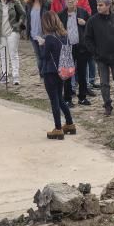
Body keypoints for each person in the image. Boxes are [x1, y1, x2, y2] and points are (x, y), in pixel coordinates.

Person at [85, 0, 114, 116]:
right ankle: (107, 105)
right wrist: (95, 52)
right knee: (104, 83)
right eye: (97, 5)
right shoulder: (92, 21)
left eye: (101, 5)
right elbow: (88, 39)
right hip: (101, 58)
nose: (98, 7)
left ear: (108, 6)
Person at [37, 11, 76, 140]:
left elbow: (44, 56)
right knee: (59, 97)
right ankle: (69, 123)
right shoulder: (64, 35)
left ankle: (58, 128)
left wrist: (41, 45)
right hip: (62, 71)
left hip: (50, 72)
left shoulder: (49, 38)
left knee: (54, 100)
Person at [57, 0, 92, 106]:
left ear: (77, 0)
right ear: (65, 1)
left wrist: (85, 23)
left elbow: (91, 29)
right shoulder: (61, 14)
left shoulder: (83, 12)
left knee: (82, 74)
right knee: (67, 74)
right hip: (67, 47)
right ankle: (67, 99)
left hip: (81, 47)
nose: (70, 1)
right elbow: (56, 30)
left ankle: (82, 97)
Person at [0, 0, 25, 85]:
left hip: (12, 31)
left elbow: (23, 13)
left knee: (13, 54)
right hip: (0, 33)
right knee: (3, 55)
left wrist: (18, 24)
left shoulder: (14, 2)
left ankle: (16, 76)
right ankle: (4, 76)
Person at [82, 0, 107, 89]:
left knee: (93, 56)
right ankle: (84, 80)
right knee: (85, 55)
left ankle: (92, 80)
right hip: (84, 27)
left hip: (98, 29)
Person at [26, 0, 48, 73]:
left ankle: (46, 74)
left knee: (44, 55)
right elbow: (28, 19)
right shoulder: (29, 5)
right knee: (38, 56)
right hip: (33, 35)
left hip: (43, 35)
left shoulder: (46, 4)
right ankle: (42, 75)